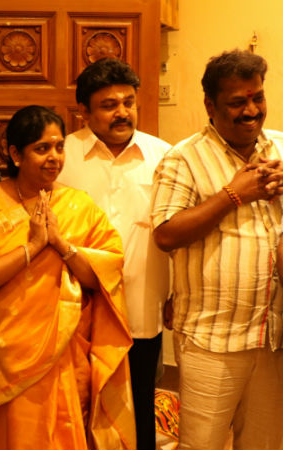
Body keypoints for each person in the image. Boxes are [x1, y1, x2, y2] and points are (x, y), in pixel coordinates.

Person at [0, 105, 136, 450]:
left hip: (61, 349)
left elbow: (105, 276)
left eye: (59, 147)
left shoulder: (79, 205)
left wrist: (60, 243)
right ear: (15, 155)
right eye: (42, 148)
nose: (54, 157)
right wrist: (33, 247)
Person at [151, 49, 283, 450]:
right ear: (210, 105)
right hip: (212, 338)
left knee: (264, 445)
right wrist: (232, 195)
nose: (251, 111)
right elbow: (166, 234)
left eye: (257, 97)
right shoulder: (183, 158)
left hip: (272, 336)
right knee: (201, 445)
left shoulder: (280, 149)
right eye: (237, 102)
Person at [57, 58, 170, 450]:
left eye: (128, 102)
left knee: (138, 404)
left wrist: (175, 293)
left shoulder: (164, 157)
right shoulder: (62, 157)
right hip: (75, 308)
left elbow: (174, 230)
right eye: (108, 105)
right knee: (76, 404)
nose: (122, 112)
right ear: (84, 111)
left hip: (141, 305)